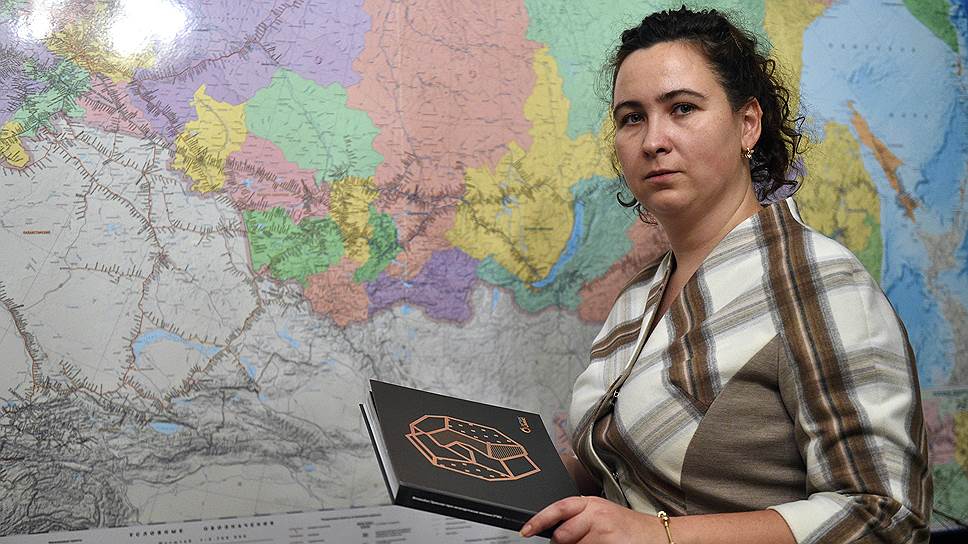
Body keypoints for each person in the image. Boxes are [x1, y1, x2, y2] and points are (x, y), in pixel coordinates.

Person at [520, 6, 931, 544]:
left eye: (682, 108)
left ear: (747, 124)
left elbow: (886, 515)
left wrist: (661, 536)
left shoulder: (819, 284)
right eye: (632, 117)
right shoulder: (639, 297)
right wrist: (506, 473)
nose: (653, 141)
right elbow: (627, 466)